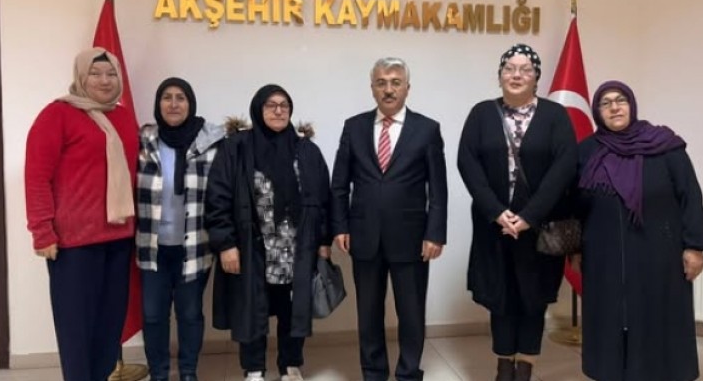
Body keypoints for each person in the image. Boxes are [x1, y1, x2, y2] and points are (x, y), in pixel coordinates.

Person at [457, 44, 577, 381]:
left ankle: (525, 365)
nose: (516, 74)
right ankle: (503, 363)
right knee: (500, 296)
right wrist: (497, 212)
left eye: (525, 69)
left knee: (533, 298)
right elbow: (467, 162)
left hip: (539, 227)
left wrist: (529, 216)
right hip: (494, 226)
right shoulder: (482, 113)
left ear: (536, 77)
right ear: (499, 76)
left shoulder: (555, 115)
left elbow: (564, 167)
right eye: (509, 68)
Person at [575, 80, 703, 381]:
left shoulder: (665, 146)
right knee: (608, 317)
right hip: (603, 253)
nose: (614, 107)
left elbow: (690, 195)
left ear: (632, 105)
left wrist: (695, 245)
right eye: (605, 103)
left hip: (660, 252)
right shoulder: (587, 151)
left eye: (620, 100)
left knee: (658, 315)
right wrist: (575, 248)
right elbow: (574, 202)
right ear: (597, 112)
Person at [24, 47, 138, 381]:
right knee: (76, 329)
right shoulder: (57, 114)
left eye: (111, 74)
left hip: (119, 239)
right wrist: (41, 231)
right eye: (95, 73)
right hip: (73, 243)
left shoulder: (123, 117)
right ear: (81, 77)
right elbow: (37, 176)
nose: (105, 80)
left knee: (109, 326)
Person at [331, 57, 448, 381]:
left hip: (412, 239)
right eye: (381, 83)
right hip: (363, 235)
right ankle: (373, 373)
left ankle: (408, 373)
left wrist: (435, 233)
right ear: (372, 88)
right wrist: (339, 225)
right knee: (368, 314)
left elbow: (438, 188)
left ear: (407, 88)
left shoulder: (427, 129)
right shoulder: (354, 127)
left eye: (395, 82)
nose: (388, 89)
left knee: (411, 313)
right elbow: (339, 184)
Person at [205, 84, 332, 381]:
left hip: (296, 249)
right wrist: (225, 244)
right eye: (270, 105)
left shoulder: (306, 150)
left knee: (293, 309)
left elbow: (323, 198)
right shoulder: (237, 147)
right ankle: (253, 368)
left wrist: (324, 240)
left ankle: (290, 365)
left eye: (284, 105)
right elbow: (218, 197)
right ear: (257, 109)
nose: (278, 111)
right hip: (252, 249)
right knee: (252, 309)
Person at [136, 77, 225, 381]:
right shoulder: (144, 140)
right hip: (152, 247)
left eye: (181, 98)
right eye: (167, 97)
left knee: (189, 314)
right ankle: (159, 373)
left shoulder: (210, 143)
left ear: (191, 103)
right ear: (158, 104)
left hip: (195, 246)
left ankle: (188, 372)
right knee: (153, 315)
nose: (174, 104)